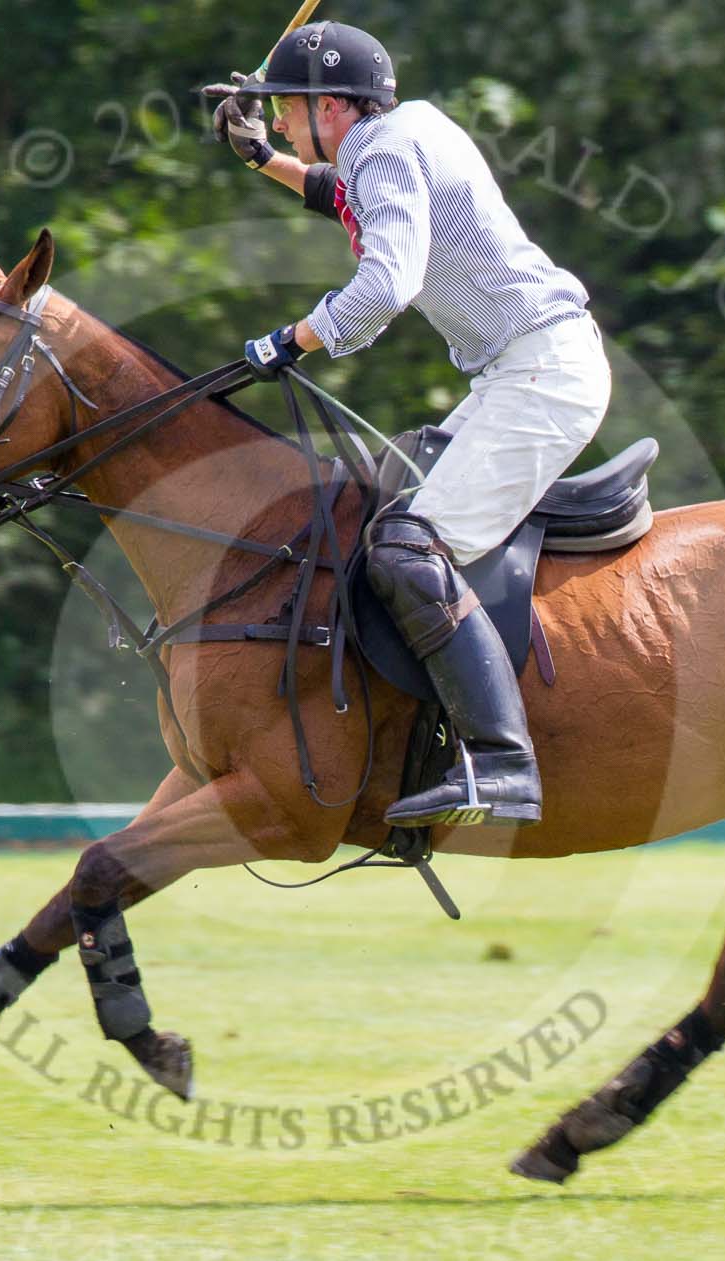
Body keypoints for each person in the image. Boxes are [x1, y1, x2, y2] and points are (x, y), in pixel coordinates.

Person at [210, 21, 612, 827]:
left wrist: (291, 339)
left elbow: (388, 281)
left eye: (286, 110)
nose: (283, 123)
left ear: (329, 106)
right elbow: (351, 199)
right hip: (527, 367)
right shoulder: (407, 130)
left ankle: (503, 763)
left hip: (541, 374)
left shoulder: (386, 150)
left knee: (404, 547)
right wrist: (263, 158)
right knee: (387, 517)